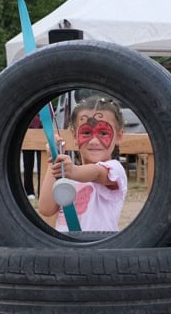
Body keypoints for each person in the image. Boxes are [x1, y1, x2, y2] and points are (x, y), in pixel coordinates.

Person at [39, 96, 127, 231]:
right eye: (86, 132)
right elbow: (46, 209)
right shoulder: (68, 172)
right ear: (75, 136)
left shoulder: (115, 170)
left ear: (119, 136)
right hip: (66, 244)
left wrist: (71, 171)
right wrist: (55, 158)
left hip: (100, 244)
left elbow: (97, 173)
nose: (94, 141)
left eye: (103, 133)